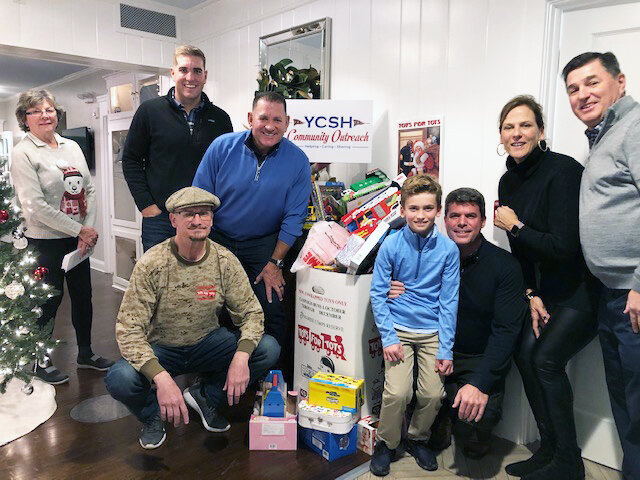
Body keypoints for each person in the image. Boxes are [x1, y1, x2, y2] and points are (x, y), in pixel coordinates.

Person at [104, 187, 279, 450]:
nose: (197, 220)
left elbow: (251, 313)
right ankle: (152, 416)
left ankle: (206, 397)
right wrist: (161, 378)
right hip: (162, 348)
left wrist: (241, 357)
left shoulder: (224, 261)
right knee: (120, 379)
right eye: (188, 214)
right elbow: (128, 329)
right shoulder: (152, 263)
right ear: (173, 220)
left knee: (267, 348)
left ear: (211, 219)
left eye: (204, 213)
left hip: (207, 342)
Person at [494, 95, 600, 480]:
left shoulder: (563, 171)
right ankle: (549, 448)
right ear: (501, 136)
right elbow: (520, 253)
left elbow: (564, 246)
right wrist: (531, 294)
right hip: (546, 291)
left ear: (541, 131)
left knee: (546, 360)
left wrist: (516, 225)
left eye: (525, 125)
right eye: (509, 127)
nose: (517, 133)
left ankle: (569, 462)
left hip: (581, 289)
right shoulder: (508, 180)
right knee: (525, 356)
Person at [389, 188, 527, 459]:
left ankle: (457, 418)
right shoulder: (425, 254)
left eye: (470, 216)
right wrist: (393, 290)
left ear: (483, 222)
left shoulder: (504, 266)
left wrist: (481, 383)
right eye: (455, 216)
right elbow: (395, 288)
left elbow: (506, 332)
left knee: (477, 423)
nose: (462, 222)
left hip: (475, 358)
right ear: (444, 219)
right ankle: (437, 417)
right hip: (433, 350)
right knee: (410, 392)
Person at [562, 51, 640, 480]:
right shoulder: (603, 135)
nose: (582, 94)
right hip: (612, 296)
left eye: (592, 83)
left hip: (633, 294)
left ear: (620, 82)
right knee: (627, 407)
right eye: (573, 89)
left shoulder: (634, 128)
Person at [10, 89, 113, 385]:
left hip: (78, 240)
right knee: (48, 302)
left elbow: (88, 190)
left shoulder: (71, 146)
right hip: (44, 240)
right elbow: (34, 206)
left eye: (50, 109)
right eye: (36, 111)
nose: (45, 115)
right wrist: (79, 229)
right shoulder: (23, 152)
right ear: (25, 119)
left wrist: (87, 230)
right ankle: (40, 361)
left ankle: (86, 353)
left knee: (83, 297)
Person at [193, 92, 311, 348]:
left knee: (271, 304)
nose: (270, 126)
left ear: (287, 122)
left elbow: (294, 218)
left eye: (277, 120)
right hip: (219, 239)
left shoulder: (298, 161)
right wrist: (201, 249)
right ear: (250, 119)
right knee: (210, 304)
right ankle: (216, 371)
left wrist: (275, 262)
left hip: (264, 244)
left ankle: (268, 376)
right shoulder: (222, 147)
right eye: (263, 118)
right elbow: (200, 199)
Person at [369, 174, 459, 476]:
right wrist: (389, 337)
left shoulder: (448, 250)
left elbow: (449, 301)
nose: (421, 215)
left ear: (437, 210)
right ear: (403, 209)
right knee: (397, 393)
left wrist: (446, 347)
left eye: (428, 208)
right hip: (399, 331)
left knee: (433, 394)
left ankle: (418, 439)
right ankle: (387, 443)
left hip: (433, 331)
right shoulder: (391, 246)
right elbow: (378, 295)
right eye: (414, 208)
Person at [122, 45, 233, 252]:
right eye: (183, 70)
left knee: (202, 280)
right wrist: (147, 206)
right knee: (158, 281)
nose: (190, 77)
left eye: (197, 71)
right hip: (161, 220)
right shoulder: (149, 112)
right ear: (173, 73)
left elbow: (226, 169)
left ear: (205, 76)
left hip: (205, 220)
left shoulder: (220, 119)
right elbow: (131, 160)